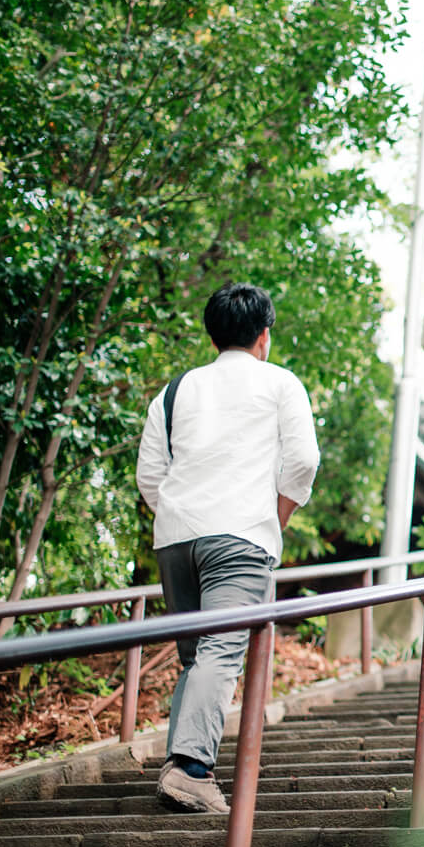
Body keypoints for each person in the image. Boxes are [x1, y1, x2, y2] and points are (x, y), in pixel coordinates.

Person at [136, 282, 319, 813]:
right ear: (264, 336)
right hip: (240, 535)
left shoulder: (173, 391)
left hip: (176, 538)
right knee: (220, 651)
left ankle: (180, 766)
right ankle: (192, 769)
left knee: (199, 655)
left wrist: (180, 519)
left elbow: (151, 475)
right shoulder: (280, 384)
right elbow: (303, 460)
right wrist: (276, 517)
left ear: (213, 335)